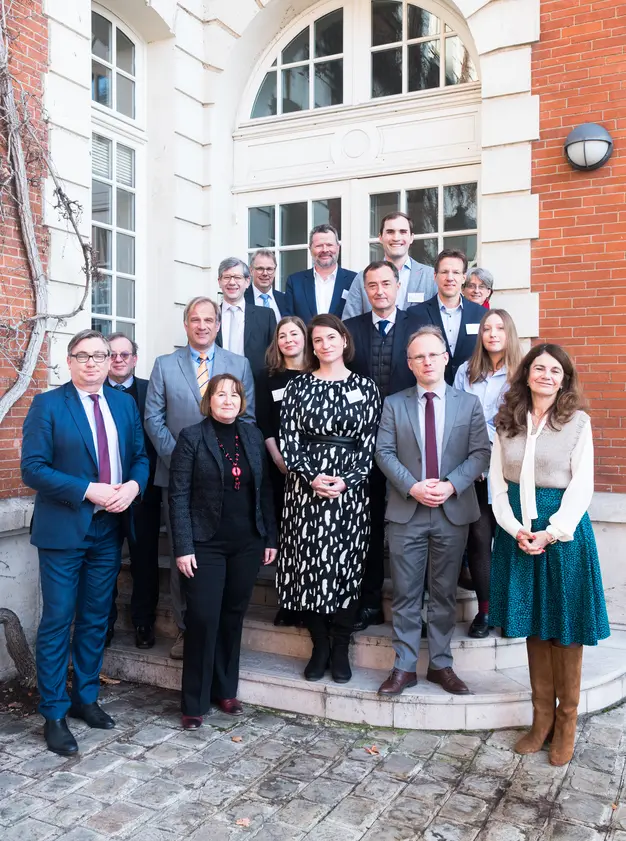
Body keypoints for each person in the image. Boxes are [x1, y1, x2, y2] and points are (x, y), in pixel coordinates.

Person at [21, 329, 149, 756]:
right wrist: (87, 490)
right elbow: (33, 469)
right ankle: (54, 711)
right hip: (64, 529)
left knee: (95, 617)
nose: (93, 362)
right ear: (70, 361)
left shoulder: (123, 403)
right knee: (58, 619)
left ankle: (85, 698)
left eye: (100, 355)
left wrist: (132, 486)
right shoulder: (48, 405)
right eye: (84, 356)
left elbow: (140, 458)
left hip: (108, 529)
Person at [489, 344, 609, 766]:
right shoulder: (507, 423)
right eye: (538, 368)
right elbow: (496, 485)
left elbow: (582, 486)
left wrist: (552, 532)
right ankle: (541, 721)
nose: (545, 375)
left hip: (564, 538)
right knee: (534, 625)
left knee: (565, 625)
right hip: (518, 535)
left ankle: (566, 722)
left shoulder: (577, 422)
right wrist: (515, 528)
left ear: (564, 379)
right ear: (526, 375)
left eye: (554, 370)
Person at [375, 325, 490, 697]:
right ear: (410, 364)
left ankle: (441, 665)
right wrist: (412, 486)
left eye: (433, 354)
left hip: (451, 510)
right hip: (407, 510)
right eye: (418, 356)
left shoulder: (467, 403)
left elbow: (480, 454)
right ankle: (404, 667)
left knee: (443, 595)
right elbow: (384, 453)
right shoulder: (394, 404)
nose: (426, 361)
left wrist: (451, 484)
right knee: (406, 594)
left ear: (445, 358)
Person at [145, 296, 255, 659]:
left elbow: (248, 420)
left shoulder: (238, 365)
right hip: (177, 477)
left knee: (220, 559)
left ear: (218, 325)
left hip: (227, 482)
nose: (203, 325)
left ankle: (220, 630)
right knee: (184, 555)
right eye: (196, 319)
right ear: (186, 324)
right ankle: (185, 628)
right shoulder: (164, 365)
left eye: (209, 319)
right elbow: (153, 419)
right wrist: (183, 461)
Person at [168, 374, 277, 727]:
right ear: (209, 400)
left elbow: (263, 491)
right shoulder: (191, 437)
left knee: (232, 616)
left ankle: (225, 689)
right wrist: (183, 547)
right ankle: (194, 702)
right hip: (205, 544)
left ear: (242, 401)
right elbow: (179, 495)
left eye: (234, 394)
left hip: (246, 542)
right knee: (202, 619)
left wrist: (269, 537)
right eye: (220, 393)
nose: (228, 399)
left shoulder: (252, 435)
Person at [279, 314, 381, 683]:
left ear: (344, 340)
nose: (324, 345)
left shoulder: (365, 387)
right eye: (317, 340)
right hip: (305, 492)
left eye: (330, 338)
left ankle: (340, 646)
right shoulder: (298, 386)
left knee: (345, 567)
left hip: (350, 493)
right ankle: (318, 644)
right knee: (309, 566)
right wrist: (311, 478)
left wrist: (346, 480)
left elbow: (371, 444)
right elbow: (289, 440)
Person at [344, 260, 423, 631]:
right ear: (365, 289)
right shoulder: (349, 331)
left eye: (386, 284)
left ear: (397, 286)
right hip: (360, 447)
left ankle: (415, 610)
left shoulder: (418, 328)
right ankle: (370, 602)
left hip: (409, 446)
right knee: (369, 529)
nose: (379, 291)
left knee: (412, 532)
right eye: (372, 285)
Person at [453, 310, 522, 638]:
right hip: (476, 471)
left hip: (511, 472)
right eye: (486, 328)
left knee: (509, 540)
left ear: (509, 333)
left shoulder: (522, 374)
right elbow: (455, 418)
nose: (492, 334)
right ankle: (486, 610)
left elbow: (522, 424)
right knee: (479, 539)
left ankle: (512, 611)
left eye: (499, 328)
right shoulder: (466, 372)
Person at [104, 332, 162, 650]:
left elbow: (156, 438)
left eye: (124, 355)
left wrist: (141, 483)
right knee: (105, 563)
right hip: (104, 497)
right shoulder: (94, 393)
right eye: (112, 354)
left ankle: (143, 623)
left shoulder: (150, 391)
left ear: (135, 359)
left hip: (143, 495)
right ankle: (105, 623)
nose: (118, 360)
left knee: (144, 563)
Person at [255, 316, 307, 628]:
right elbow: (264, 422)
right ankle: (288, 601)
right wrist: (277, 458)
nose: (288, 339)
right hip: (280, 467)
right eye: (282, 335)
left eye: (294, 334)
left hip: (314, 468)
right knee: (285, 534)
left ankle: (308, 598)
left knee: (307, 536)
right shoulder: (267, 377)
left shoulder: (318, 374)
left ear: (305, 337)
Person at [407, 249, 485, 385]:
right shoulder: (416, 314)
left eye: (456, 272)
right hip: (429, 394)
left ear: (463, 278)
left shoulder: (481, 315)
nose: (450, 278)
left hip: (470, 392)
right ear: (435, 276)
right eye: (444, 272)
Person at [342, 212, 436, 319]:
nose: (396, 238)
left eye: (403, 232)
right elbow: (349, 324)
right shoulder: (361, 278)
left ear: (411, 238)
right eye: (390, 232)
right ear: (380, 237)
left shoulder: (430, 277)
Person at [217, 257, 277, 379]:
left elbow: (275, 357)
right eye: (227, 277)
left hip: (256, 389)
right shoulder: (210, 317)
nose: (232, 282)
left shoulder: (266, 316)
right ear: (219, 282)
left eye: (237, 277)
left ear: (247, 281)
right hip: (216, 389)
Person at [284, 224, 356, 323]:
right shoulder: (295, 282)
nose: (325, 250)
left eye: (329, 245)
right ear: (310, 249)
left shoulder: (354, 280)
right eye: (319, 246)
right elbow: (289, 322)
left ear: (338, 248)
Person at [244, 249, 288, 321]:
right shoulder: (241, 298)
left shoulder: (285, 299)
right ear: (251, 271)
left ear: (274, 271)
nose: (265, 273)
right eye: (260, 268)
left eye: (269, 269)